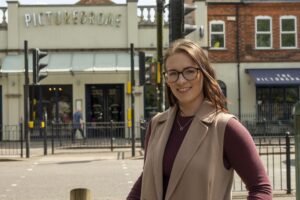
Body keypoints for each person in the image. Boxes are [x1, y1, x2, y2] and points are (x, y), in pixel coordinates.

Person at [127, 39, 272, 200]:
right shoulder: (156, 124)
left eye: (189, 71)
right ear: (167, 79)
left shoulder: (226, 128)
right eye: (173, 73)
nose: (181, 80)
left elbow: (261, 188)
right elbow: (148, 178)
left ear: (203, 73)